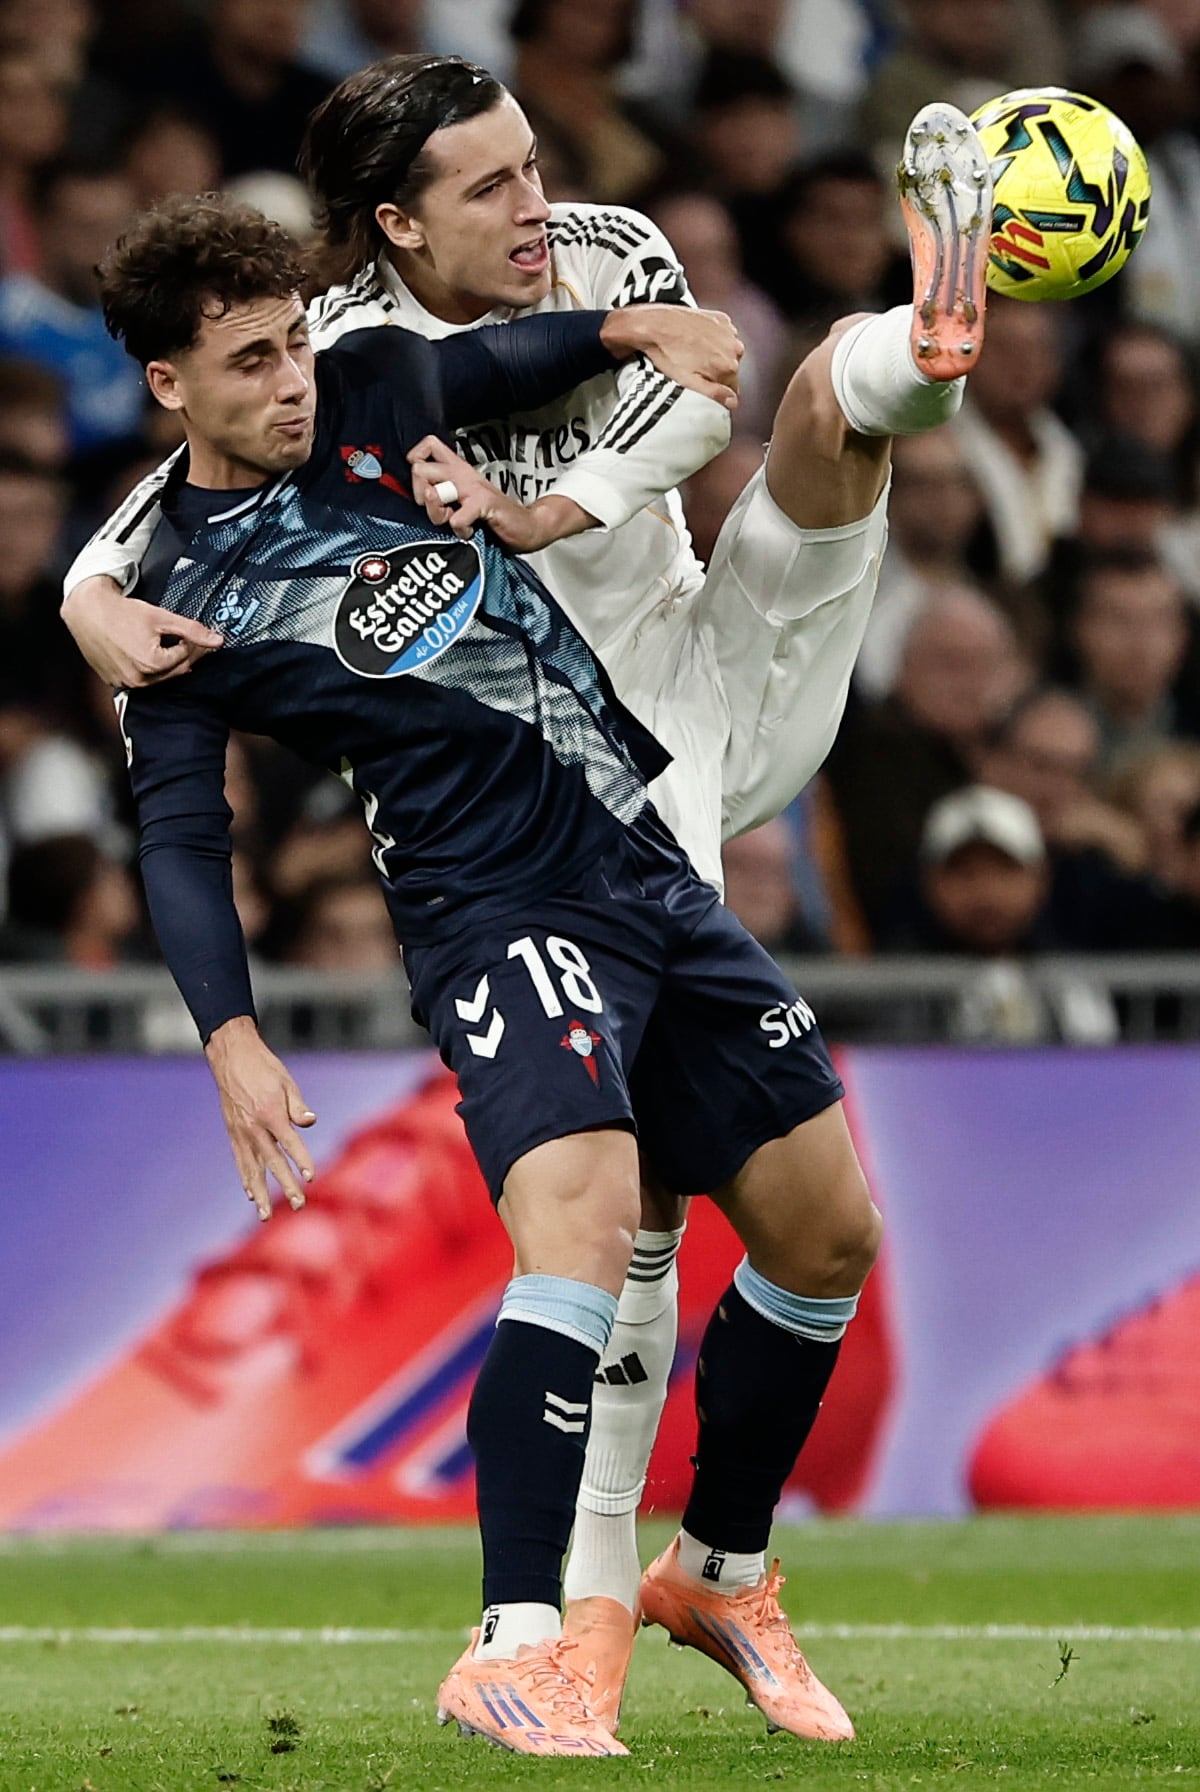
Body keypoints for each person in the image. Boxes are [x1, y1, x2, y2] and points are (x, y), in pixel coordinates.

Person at [62, 54, 996, 1733]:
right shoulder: (207, 565)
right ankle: (536, 1638)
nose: (535, 208)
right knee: (602, 1221)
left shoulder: (398, 376)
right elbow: (178, 822)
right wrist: (229, 1037)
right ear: (392, 222)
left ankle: (709, 1576)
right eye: (489, 186)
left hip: (662, 747)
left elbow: (566, 357)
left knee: (829, 1229)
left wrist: (604, 403)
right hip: (498, 889)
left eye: (535, 167)